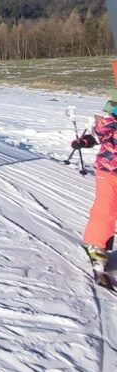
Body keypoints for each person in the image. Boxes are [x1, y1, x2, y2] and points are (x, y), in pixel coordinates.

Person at [82, 97, 117, 284]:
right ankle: (97, 246)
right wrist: (85, 141)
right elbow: (97, 133)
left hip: (108, 172)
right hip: (109, 173)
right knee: (105, 210)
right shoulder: (108, 124)